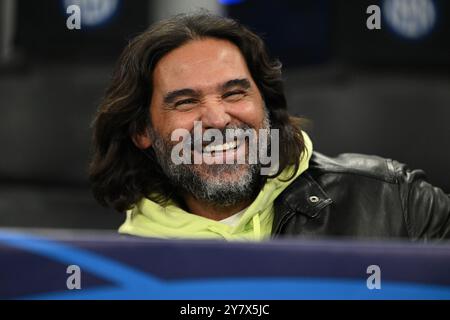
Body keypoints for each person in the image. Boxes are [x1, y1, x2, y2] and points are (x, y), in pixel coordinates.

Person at [89, 12, 450, 241]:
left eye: (234, 93)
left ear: (265, 106)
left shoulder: (397, 204)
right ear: (141, 131)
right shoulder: (121, 270)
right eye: (186, 102)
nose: (217, 119)